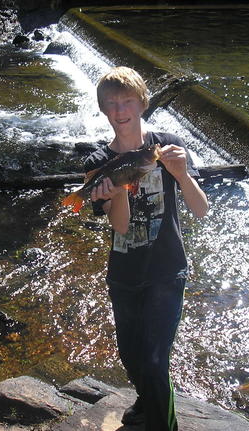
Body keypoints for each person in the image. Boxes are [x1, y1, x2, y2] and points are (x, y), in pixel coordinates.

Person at [84, 67, 208, 430]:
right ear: (103, 109)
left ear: (142, 103)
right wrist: (120, 188)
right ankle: (146, 400)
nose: (120, 111)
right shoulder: (97, 165)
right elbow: (120, 227)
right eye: (112, 104)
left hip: (167, 270)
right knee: (132, 357)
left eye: (127, 102)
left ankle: (163, 423)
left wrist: (182, 173)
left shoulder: (167, 145)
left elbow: (201, 210)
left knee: (155, 360)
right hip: (123, 274)